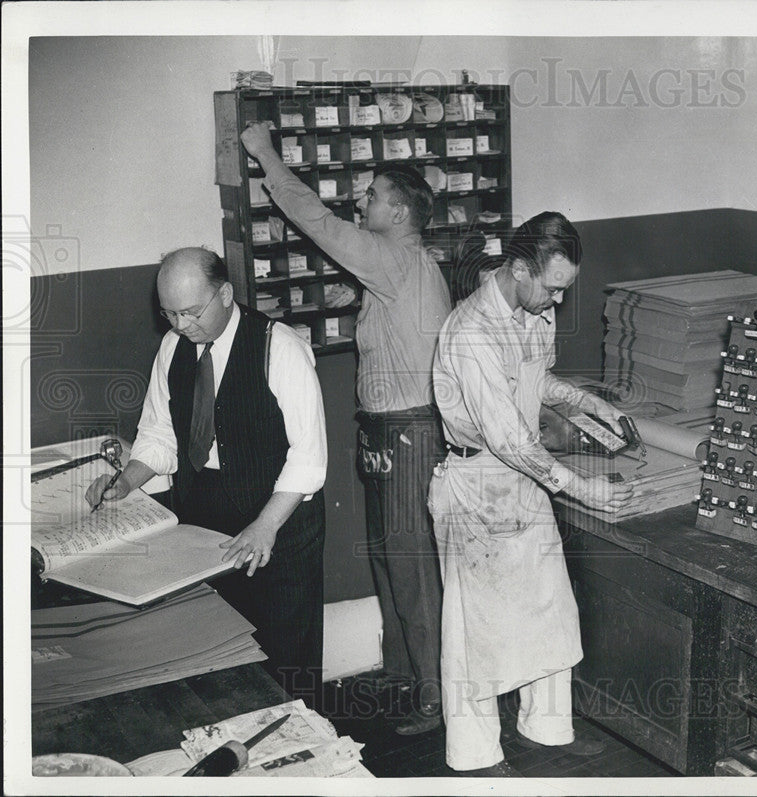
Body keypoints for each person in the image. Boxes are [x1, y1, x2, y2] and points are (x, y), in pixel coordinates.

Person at [240, 122, 452, 734]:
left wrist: (266, 157)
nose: (363, 201)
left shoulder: (398, 259)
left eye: (374, 194)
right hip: (386, 431)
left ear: (401, 209)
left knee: (411, 565)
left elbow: (319, 223)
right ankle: (406, 671)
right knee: (389, 557)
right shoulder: (396, 267)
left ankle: (436, 694)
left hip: (409, 432)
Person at [429, 211, 634, 776]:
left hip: (522, 477)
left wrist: (585, 401)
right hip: (476, 485)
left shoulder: (531, 310)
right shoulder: (471, 331)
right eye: (552, 287)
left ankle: (547, 729)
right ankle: (473, 755)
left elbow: (534, 379)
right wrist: (581, 489)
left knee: (550, 610)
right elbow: (507, 436)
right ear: (519, 268)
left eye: (565, 289)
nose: (558, 302)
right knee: (474, 631)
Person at [85, 247, 327, 706]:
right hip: (206, 513)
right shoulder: (173, 347)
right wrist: (129, 479)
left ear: (226, 295)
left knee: (286, 659)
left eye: (192, 312)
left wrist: (265, 525)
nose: (180, 325)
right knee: (222, 650)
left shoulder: (280, 347)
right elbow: (159, 432)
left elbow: (310, 457)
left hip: (279, 512)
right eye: (169, 313)